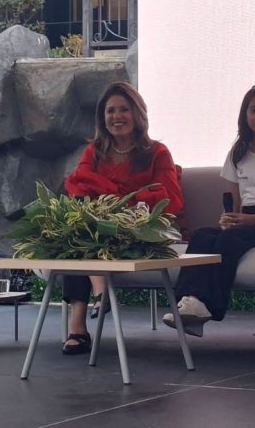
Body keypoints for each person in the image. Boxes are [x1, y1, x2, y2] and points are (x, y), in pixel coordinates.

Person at [163, 85, 255, 336]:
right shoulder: (237, 153)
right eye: (254, 110)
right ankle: (187, 303)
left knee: (228, 241)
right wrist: (229, 218)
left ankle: (208, 307)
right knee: (202, 236)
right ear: (245, 114)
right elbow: (234, 201)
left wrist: (252, 221)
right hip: (245, 219)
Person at [60, 81, 184, 355]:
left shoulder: (157, 152)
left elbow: (169, 199)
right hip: (97, 226)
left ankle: (86, 314)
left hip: (141, 229)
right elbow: (78, 187)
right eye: (110, 111)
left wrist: (113, 198)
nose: (117, 116)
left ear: (138, 113)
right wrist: (113, 201)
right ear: (102, 118)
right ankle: (91, 304)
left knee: (86, 234)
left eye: (124, 109)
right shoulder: (94, 152)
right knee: (79, 230)